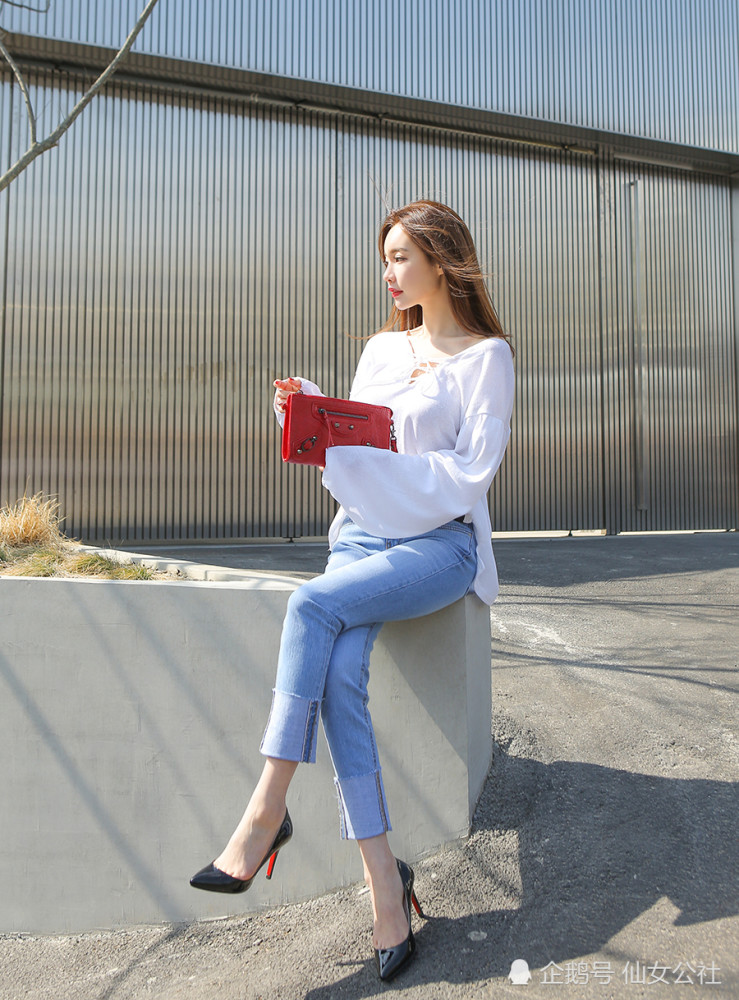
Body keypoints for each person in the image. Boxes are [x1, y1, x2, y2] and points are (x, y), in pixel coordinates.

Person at [190, 199, 515, 982]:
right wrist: (311, 410)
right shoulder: (379, 349)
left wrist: (384, 460)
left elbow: (466, 474)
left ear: (441, 261)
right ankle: (384, 891)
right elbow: (358, 445)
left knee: (309, 604)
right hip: (364, 536)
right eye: (386, 257)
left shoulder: (486, 358)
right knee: (337, 680)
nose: (388, 271)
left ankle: (266, 812)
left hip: (437, 545)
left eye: (401, 256)